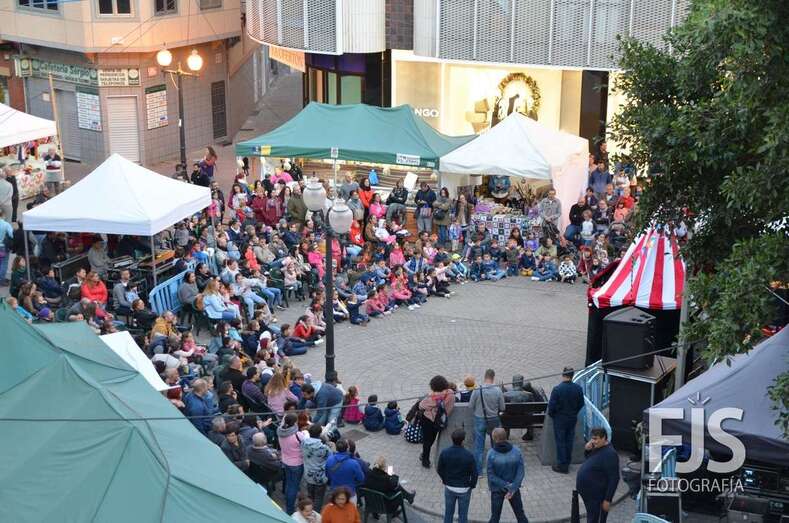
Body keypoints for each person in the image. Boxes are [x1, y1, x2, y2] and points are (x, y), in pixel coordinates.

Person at [576, 428, 620, 523]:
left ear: (604, 438)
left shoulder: (610, 454)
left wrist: (607, 500)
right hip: (589, 494)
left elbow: (614, 478)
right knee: (592, 516)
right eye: (592, 439)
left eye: (596, 439)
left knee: (595, 519)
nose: (593, 441)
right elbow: (589, 459)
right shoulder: (597, 447)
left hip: (597, 495)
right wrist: (587, 450)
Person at [486, 428, 529, 523]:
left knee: (495, 517)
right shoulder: (517, 451)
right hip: (513, 489)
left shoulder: (491, 454)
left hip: (497, 489)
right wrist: (512, 487)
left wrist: (505, 485)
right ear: (506, 437)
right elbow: (521, 471)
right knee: (520, 514)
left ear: (494, 439)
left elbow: (491, 475)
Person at [547, 367, 585, 474]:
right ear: (572, 375)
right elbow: (581, 404)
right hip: (572, 418)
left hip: (560, 419)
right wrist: (573, 412)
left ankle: (562, 465)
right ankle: (567, 461)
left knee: (560, 441)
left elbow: (551, 407)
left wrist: (554, 415)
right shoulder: (578, 388)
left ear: (563, 374)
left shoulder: (557, 389)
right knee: (569, 440)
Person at [437, 429, 478, 523]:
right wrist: (472, 485)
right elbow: (474, 473)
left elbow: (439, 469)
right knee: (463, 515)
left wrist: (445, 480)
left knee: (448, 513)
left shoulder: (445, 452)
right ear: (463, 441)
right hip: (464, 488)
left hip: (449, 487)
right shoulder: (468, 455)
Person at [469, 369, 506, 473]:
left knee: (479, 446)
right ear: (493, 378)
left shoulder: (477, 390)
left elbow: (470, 406)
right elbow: (502, 408)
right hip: (494, 420)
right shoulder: (498, 390)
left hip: (479, 419)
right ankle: (495, 469)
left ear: (484, 377)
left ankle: (479, 471)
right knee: (496, 444)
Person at [418, 375, 455, 468]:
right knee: (432, 438)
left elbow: (421, 405)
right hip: (440, 421)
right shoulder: (450, 393)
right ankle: (425, 453)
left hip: (428, 420)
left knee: (427, 440)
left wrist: (431, 395)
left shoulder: (433, 398)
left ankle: (425, 460)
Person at [278, 413, 305, 514]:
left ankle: (288, 499)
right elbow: (305, 443)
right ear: (295, 422)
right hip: (296, 463)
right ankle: (290, 509)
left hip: (285, 461)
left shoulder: (280, 432)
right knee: (293, 486)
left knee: (289, 483)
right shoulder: (297, 435)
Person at [302, 423, 332, 511]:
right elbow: (330, 458)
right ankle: (315, 514)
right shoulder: (324, 448)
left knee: (310, 496)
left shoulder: (303, 443)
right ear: (319, 434)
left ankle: (308, 511)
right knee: (318, 498)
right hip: (320, 477)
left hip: (308, 475)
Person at [0, 209, 13, 285]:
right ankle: (1, 280)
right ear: (2, 215)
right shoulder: (6, 224)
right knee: (4, 263)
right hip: (3, 247)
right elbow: (12, 234)